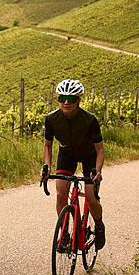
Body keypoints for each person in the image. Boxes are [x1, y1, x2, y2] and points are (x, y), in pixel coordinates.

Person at [41, 78, 105, 250]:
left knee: (91, 199)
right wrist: (46, 167)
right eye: (62, 98)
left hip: (89, 156)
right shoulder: (51, 119)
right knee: (61, 193)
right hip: (66, 154)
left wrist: (97, 171)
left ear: (78, 100)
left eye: (71, 98)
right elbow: (48, 145)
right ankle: (65, 235)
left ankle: (98, 227)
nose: (66, 102)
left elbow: (100, 150)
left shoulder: (89, 119)